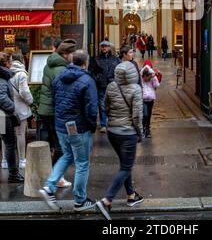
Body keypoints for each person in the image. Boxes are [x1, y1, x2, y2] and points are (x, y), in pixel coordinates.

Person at [39, 50, 98, 212]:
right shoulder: (87, 80)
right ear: (85, 63)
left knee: (67, 155)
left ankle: (49, 187)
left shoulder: (59, 77)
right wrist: (92, 126)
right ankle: (80, 200)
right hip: (78, 127)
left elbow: (53, 99)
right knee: (82, 163)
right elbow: (91, 109)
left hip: (61, 124)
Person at [96, 61, 144, 220]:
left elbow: (106, 106)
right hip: (127, 133)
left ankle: (131, 195)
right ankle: (107, 200)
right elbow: (137, 115)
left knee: (125, 163)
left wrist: (112, 120)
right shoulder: (136, 89)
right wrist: (140, 133)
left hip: (112, 131)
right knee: (125, 166)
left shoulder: (111, 86)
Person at [37, 39, 76, 188]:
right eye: (72, 53)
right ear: (66, 54)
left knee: (55, 143)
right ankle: (55, 178)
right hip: (54, 110)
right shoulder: (61, 70)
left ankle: (54, 175)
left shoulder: (50, 64)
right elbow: (63, 94)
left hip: (45, 109)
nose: (73, 56)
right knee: (60, 145)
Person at [1, 52, 33, 169]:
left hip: (2, 110)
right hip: (20, 109)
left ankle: (4, 160)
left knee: (4, 136)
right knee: (20, 134)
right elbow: (24, 92)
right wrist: (30, 101)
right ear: (21, 61)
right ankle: (22, 160)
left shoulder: (4, 73)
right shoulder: (21, 74)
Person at [0, 52, 24, 182]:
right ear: (5, 63)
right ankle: (13, 174)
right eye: (10, 61)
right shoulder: (2, 78)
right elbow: (1, 97)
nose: (11, 63)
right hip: (3, 116)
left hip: (2, 115)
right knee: (10, 144)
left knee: (9, 143)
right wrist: (12, 107)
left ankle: (13, 173)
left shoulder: (4, 76)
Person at [89, 41, 121, 133]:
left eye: (106, 46)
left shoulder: (115, 59)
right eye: (102, 46)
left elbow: (120, 71)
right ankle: (103, 124)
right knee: (102, 105)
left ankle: (112, 122)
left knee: (113, 104)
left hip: (113, 85)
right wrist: (97, 78)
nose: (104, 48)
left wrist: (116, 80)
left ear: (109, 48)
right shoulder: (97, 60)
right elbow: (92, 72)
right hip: (101, 85)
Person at [141, 64, 160, 138]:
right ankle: (143, 129)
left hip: (151, 98)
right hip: (143, 99)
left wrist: (154, 77)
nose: (146, 78)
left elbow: (157, 85)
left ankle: (147, 129)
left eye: (147, 76)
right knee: (145, 114)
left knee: (148, 115)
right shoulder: (141, 78)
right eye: (145, 76)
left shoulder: (152, 78)